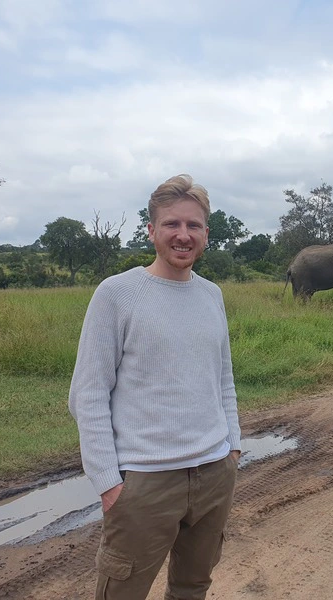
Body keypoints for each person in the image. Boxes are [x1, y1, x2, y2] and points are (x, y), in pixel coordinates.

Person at [69, 174, 242, 600]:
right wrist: (109, 482)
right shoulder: (117, 294)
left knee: (192, 587)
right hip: (144, 482)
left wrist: (232, 447)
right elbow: (87, 394)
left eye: (194, 226)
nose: (183, 235)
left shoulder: (212, 295)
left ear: (206, 233)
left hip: (214, 472)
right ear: (152, 231)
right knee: (122, 592)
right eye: (172, 224)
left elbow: (223, 379)